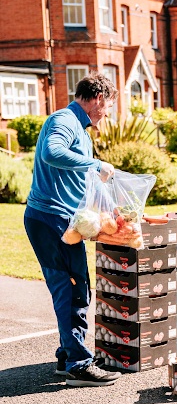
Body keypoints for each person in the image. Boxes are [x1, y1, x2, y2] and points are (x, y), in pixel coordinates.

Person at [24, 72, 119, 387]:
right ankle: (78, 364)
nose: (106, 114)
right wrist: (94, 164)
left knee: (77, 288)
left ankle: (69, 357)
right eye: (107, 107)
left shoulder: (79, 125)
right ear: (97, 99)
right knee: (71, 288)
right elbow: (52, 152)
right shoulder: (63, 121)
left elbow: (71, 174)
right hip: (50, 220)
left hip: (60, 221)